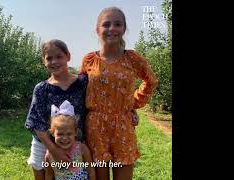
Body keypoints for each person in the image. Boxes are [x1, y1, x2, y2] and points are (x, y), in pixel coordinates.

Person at [80, 7, 158, 180]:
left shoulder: (132, 58)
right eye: (106, 24)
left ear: (124, 29)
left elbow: (151, 81)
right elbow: (79, 91)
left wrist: (132, 104)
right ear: (97, 29)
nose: (112, 28)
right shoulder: (89, 60)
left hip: (123, 126)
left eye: (117, 24)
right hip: (95, 127)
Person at [25, 39, 88, 180]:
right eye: (49, 58)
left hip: (72, 140)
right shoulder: (41, 89)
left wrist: (131, 110)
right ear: (44, 61)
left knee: (74, 174)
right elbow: (37, 124)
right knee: (40, 169)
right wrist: (54, 151)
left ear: (68, 56)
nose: (54, 61)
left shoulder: (82, 83)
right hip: (44, 142)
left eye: (59, 56)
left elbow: (101, 101)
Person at [44, 100, 96, 180]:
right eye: (60, 134)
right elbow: (49, 175)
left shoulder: (81, 149)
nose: (64, 138)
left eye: (69, 134)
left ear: (75, 132)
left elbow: (90, 170)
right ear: (52, 133)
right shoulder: (50, 154)